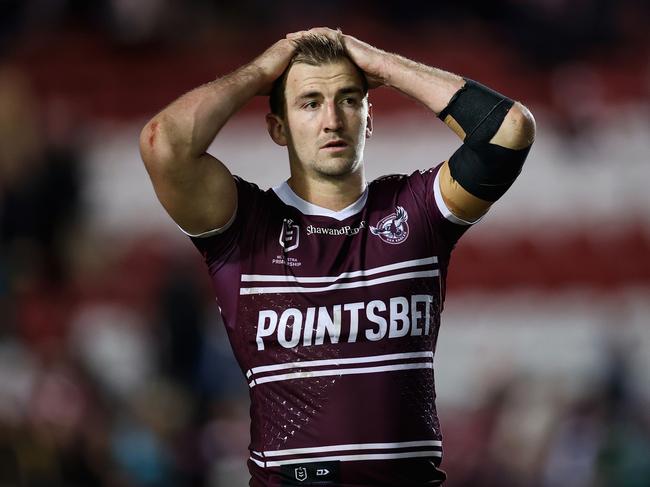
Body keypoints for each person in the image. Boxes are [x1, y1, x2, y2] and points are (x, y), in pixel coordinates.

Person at [140, 27, 535, 487]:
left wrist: (384, 65)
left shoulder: (413, 211)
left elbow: (509, 131)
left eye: (348, 99)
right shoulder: (246, 228)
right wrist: (262, 70)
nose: (332, 119)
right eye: (310, 103)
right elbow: (162, 145)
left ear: (369, 118)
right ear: (277, 128)